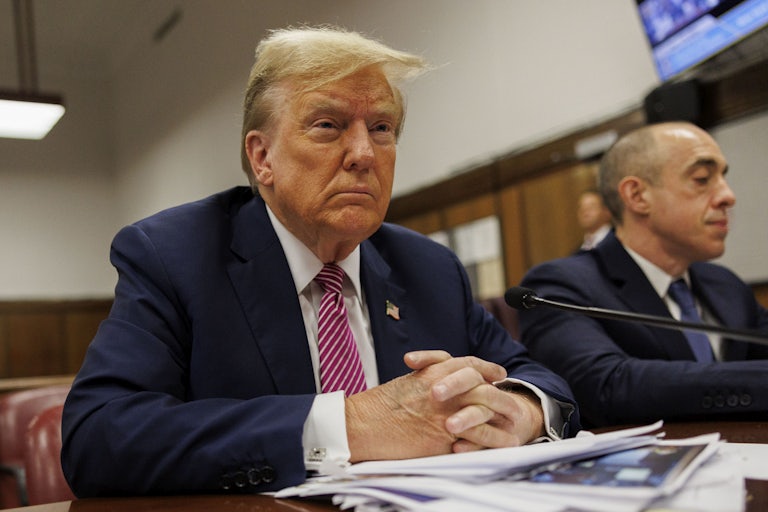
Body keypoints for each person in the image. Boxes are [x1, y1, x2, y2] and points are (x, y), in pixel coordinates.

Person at [61, 26, 580, 497]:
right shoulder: (175, 254)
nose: (363, 153)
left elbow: (538, 378)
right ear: (262, 158)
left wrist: (523, 410)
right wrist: (352, 423)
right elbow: (100, 437)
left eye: (381, 128)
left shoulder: (429, 267)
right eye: (329, 125)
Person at [519, 121, 768, 428]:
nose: (728, 196)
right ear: (637, 196)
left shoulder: (726, 284)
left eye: (723, 178)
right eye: (702, 179)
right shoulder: (560, 285)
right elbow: (606, 386)